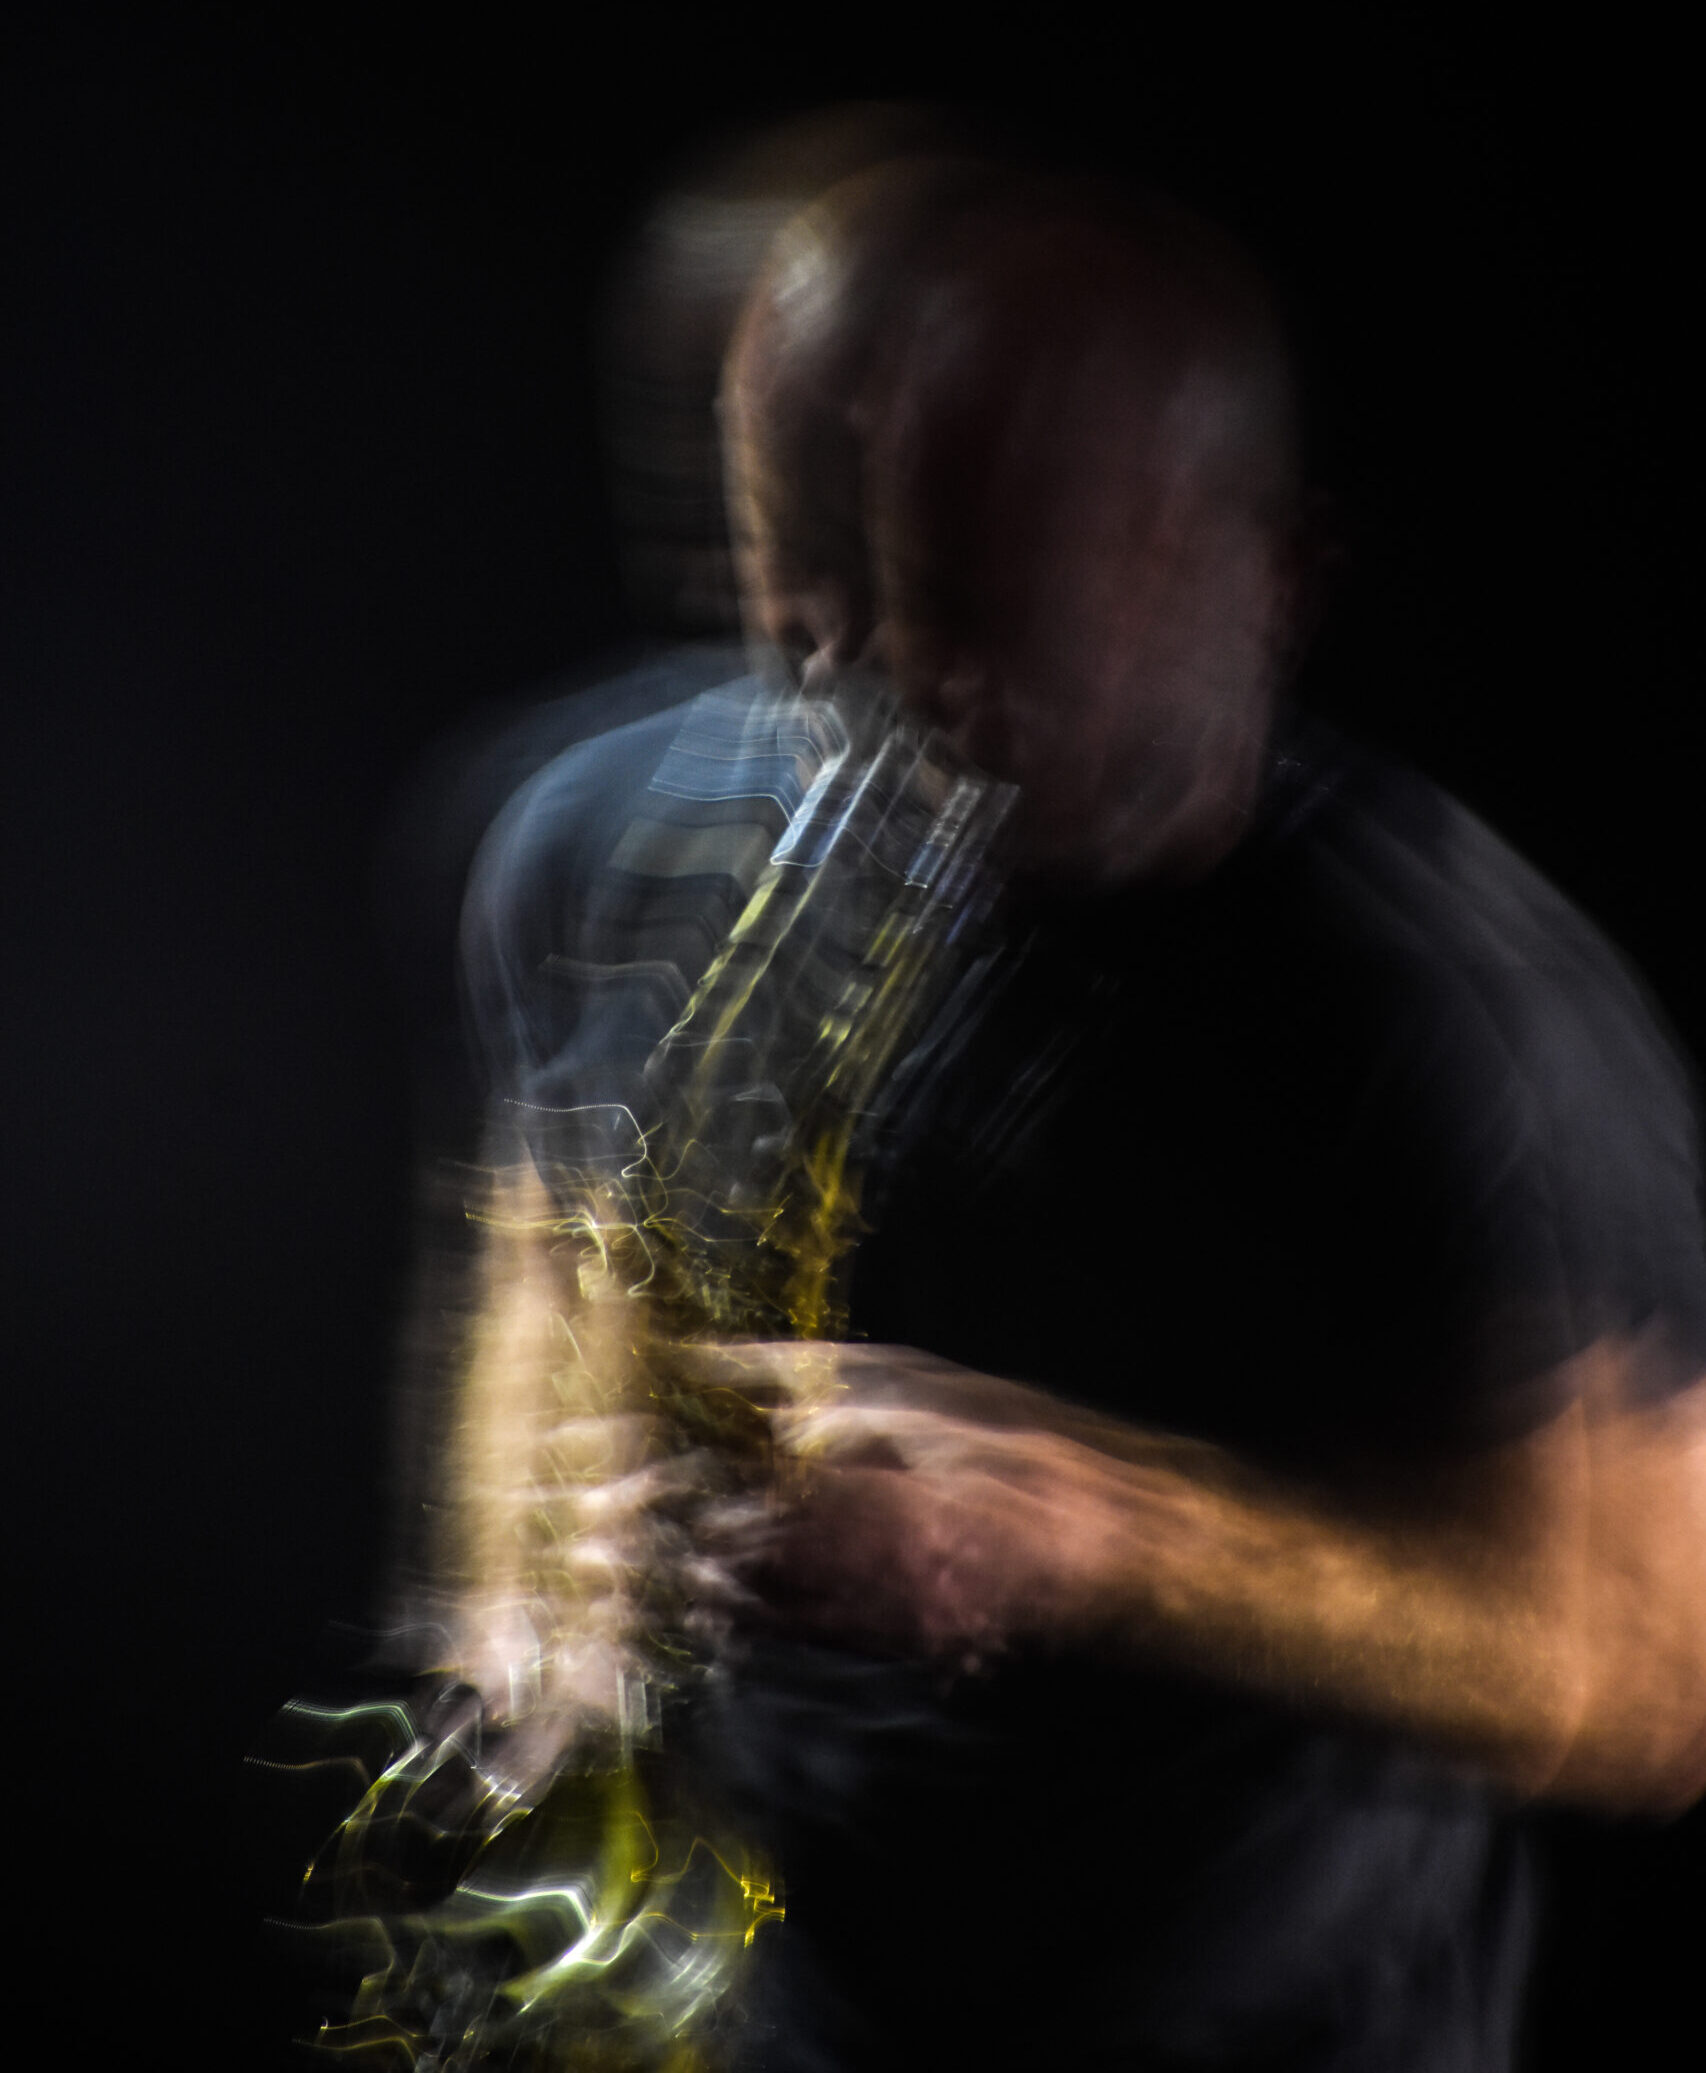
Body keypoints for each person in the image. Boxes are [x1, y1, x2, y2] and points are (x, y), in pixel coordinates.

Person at [441, 156, 1706, 2069]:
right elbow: (555, 1233)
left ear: (1259, 581)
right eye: (808, 598)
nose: (867, 698)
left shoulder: (1458, 1026)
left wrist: (1085, 1533)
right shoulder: (609, 836)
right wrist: (525, 1591)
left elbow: (1647, 1663)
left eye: (969, 616)